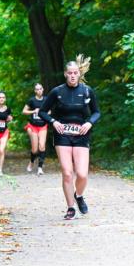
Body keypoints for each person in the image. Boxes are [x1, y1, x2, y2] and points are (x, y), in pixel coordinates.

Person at [37, 56, 100, 220]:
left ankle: (78, 196)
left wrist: (89, 123)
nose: (72, 75)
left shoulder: (87, 91)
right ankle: (70, 207)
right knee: (67, 172)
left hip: (81, 135)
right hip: (62, 134)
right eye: (70, 73)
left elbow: (96, 112)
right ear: (65, 74)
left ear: (79, 74)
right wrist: (53, 121)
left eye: (75, 73)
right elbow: (42, 111)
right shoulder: (57, 92)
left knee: (82, 174)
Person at [23, 83, 48, 175]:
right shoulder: (32, 100)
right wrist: (33, 111)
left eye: (40, 89)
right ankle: (32, 162)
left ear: (43, 89)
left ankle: (40, 168)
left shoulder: (46, 100)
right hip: (33, 126)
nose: (39, 91)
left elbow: (50, 110)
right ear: (35, 91)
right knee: (34, 149)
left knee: (42, 146)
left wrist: (45, 113)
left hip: (43, 126)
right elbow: (24, 111)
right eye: (37, 89)